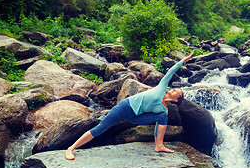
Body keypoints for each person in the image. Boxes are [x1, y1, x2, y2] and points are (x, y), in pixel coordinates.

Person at [65, 52, 194, 160]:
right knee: (101, 128)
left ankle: (159, 145)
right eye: (176, 89)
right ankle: (71, 148)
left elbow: (158, 127)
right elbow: (170, 72)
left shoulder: (163, 110)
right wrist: (182, 61)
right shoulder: (161, 88)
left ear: (176, 99)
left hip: (134, 117)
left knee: (162, 117)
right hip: (125, 107)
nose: (174, 90)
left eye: (177, 92)